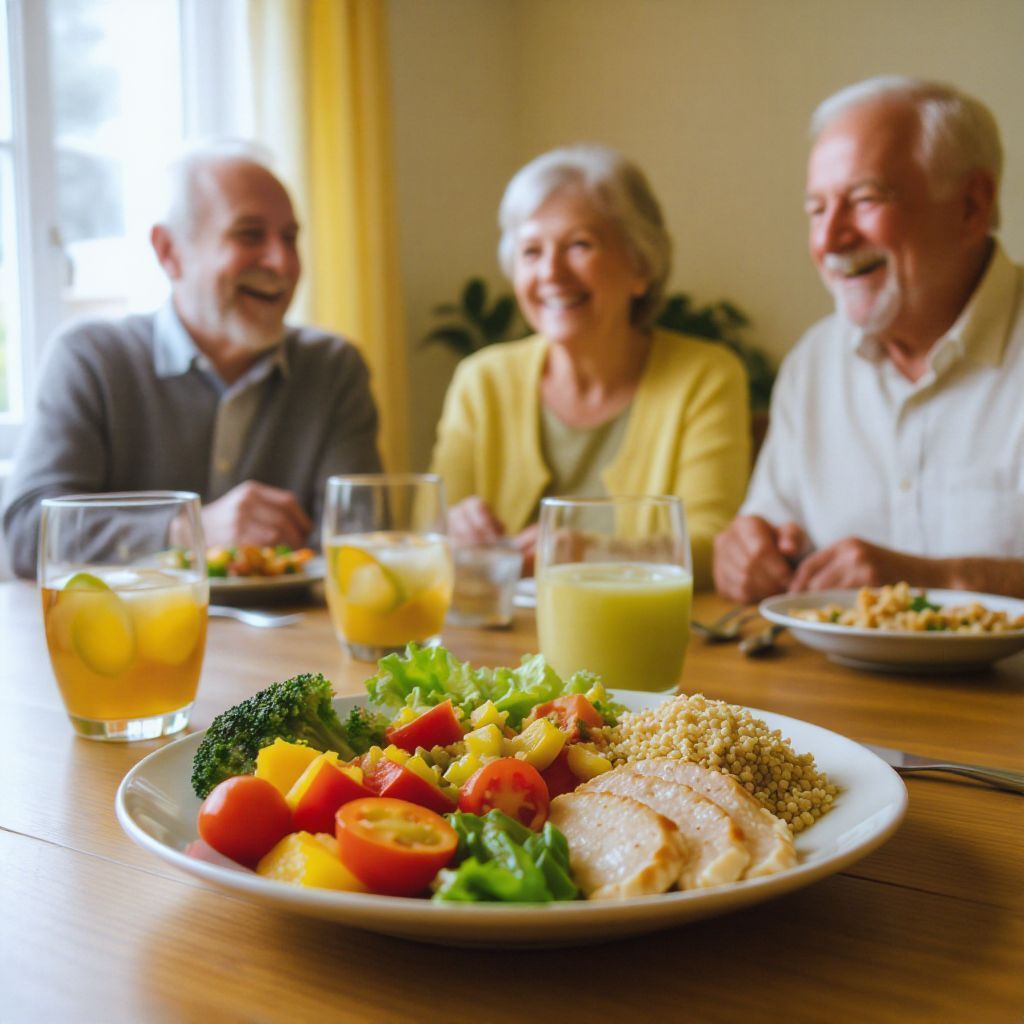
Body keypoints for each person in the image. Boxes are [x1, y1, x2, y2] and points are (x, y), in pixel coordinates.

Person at [2, 141, 381, 578]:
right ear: (169, 252)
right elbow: (29, 534)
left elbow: (358, 542)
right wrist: (185, 529)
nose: (282, 262)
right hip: (134, 642)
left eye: (290, 238)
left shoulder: (334, 368)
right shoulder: (92, 358)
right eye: (250, 234)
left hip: (288, 643)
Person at [714, 76, 1024, 602]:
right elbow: (763, 531)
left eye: (864, 199)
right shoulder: (812, 363)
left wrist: (936, 582)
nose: (829, 239)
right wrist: (745, 552)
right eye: (817, 209)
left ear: (972, 206)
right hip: (831, 685)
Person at [430, 144, 750, 589]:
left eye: (580, 245)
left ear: (641, 265)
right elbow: (429, 534)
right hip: (500, 647)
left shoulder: (705, 377)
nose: (551, 274)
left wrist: (589, 553)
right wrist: (451, 528)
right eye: (531, 252)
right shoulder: (481, 380)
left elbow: (714, 546)